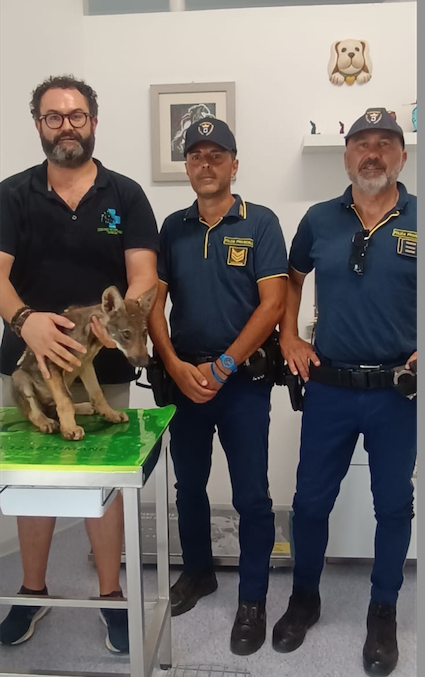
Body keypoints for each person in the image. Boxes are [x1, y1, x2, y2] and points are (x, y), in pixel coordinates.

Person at [0, 75, 159, 654]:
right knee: (33, 483)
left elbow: (144, 275)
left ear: (94, 120)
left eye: (76, 115)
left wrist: (115, 316)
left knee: (103, 487)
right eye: (53, 116)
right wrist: (26, 321)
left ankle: (111, 597)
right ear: (38, 125)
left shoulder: (126, 195)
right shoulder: (12, 194)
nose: (66, 125)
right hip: (28, 363)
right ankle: (30, 592)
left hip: (104, 368)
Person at [272, 107, 417, 677]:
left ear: (402, 156)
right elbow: (292, 276)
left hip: (394, 394)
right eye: (362, 143)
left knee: (393, 505)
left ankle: (383, 611)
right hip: (328, 386)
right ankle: (304, 597)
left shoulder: (421, 218)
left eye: (385, 143)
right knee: (309, 502)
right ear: (347, 156)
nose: (372, 153)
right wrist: (288, 335)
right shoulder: (318, 218)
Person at [148, 117, 288, 656]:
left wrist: (225, 365)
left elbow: (273, 305)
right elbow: (153, 302)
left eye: (216, 155)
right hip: (185, 380)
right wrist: (175, 364)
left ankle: (252, 598)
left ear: (234, 164)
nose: (206, 165)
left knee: (252, 495)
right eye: (196, 156)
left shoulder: (261, 223)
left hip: (242, 383)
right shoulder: (173, 227)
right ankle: (199, 572)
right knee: (189, 488)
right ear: (187, 167)